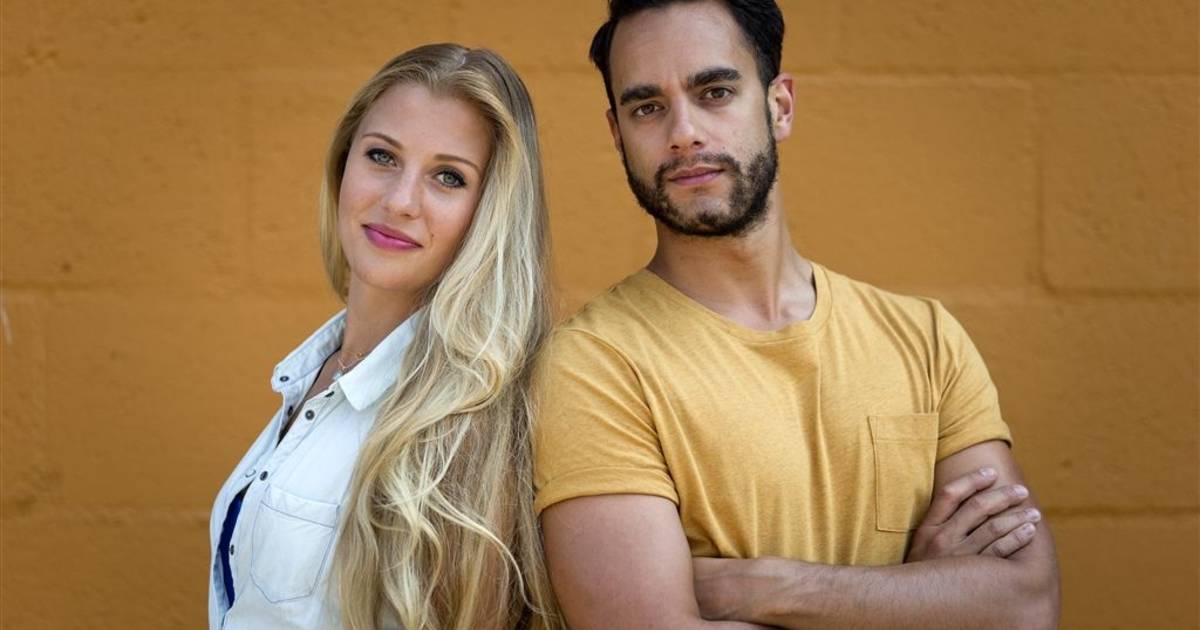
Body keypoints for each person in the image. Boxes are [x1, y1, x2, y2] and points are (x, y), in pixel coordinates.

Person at [533, 1, 1061, 628]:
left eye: (715, 92)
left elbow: (1025, 606)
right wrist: (917, 597)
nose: (684, 132)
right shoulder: (594, 366)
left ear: (779, 106)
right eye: (647, 107)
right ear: (618, 135)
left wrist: (758, 586)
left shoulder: (926, 340)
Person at [208, 44, 562, 630]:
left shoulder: (473, 427)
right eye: (382, 156)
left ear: (490, 212)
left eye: (448, 177)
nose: (399, 202)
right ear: (343, 164)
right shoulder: (316, 371)